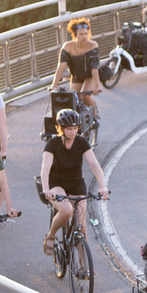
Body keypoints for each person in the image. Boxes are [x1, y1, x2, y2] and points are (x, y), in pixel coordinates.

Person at [39, 108, 109, 255]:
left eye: (75, 128)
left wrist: (102, 186)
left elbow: (94, 164)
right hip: (56, 184)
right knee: (66, 210)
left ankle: (84, 267)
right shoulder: (52, 144)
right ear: (60, 128)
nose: (72, 132)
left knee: (82, 227)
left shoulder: (81, 142)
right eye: (69, 129)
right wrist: (46, 189)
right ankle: (51, 235)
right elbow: (45, 167)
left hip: (76, 184)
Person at [49, 16, 103, 124]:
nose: (84, 37)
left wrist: (97, 86)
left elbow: (94, 68)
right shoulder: (68, 46)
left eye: (86, 33)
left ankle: (94, 115)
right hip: (76, 77)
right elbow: (61, 67)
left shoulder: (92, 45)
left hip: (89, 76)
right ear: (75, 35)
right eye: (81, 34)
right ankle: (77, 122)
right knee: (72, 99)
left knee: (84, 95)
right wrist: (54, 85)